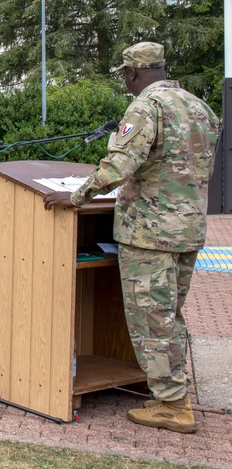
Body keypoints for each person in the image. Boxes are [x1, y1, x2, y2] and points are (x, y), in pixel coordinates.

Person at [43, 42, 219, 435]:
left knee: (151, 320)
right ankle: (171, 394)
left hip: (149, 235)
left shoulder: (146, 107)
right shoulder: (199, 107)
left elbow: (119, 165)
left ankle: (173, 405)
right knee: (169, 316)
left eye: (125, 74)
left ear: (132, 73)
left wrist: (75, 196)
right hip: (188, 231)